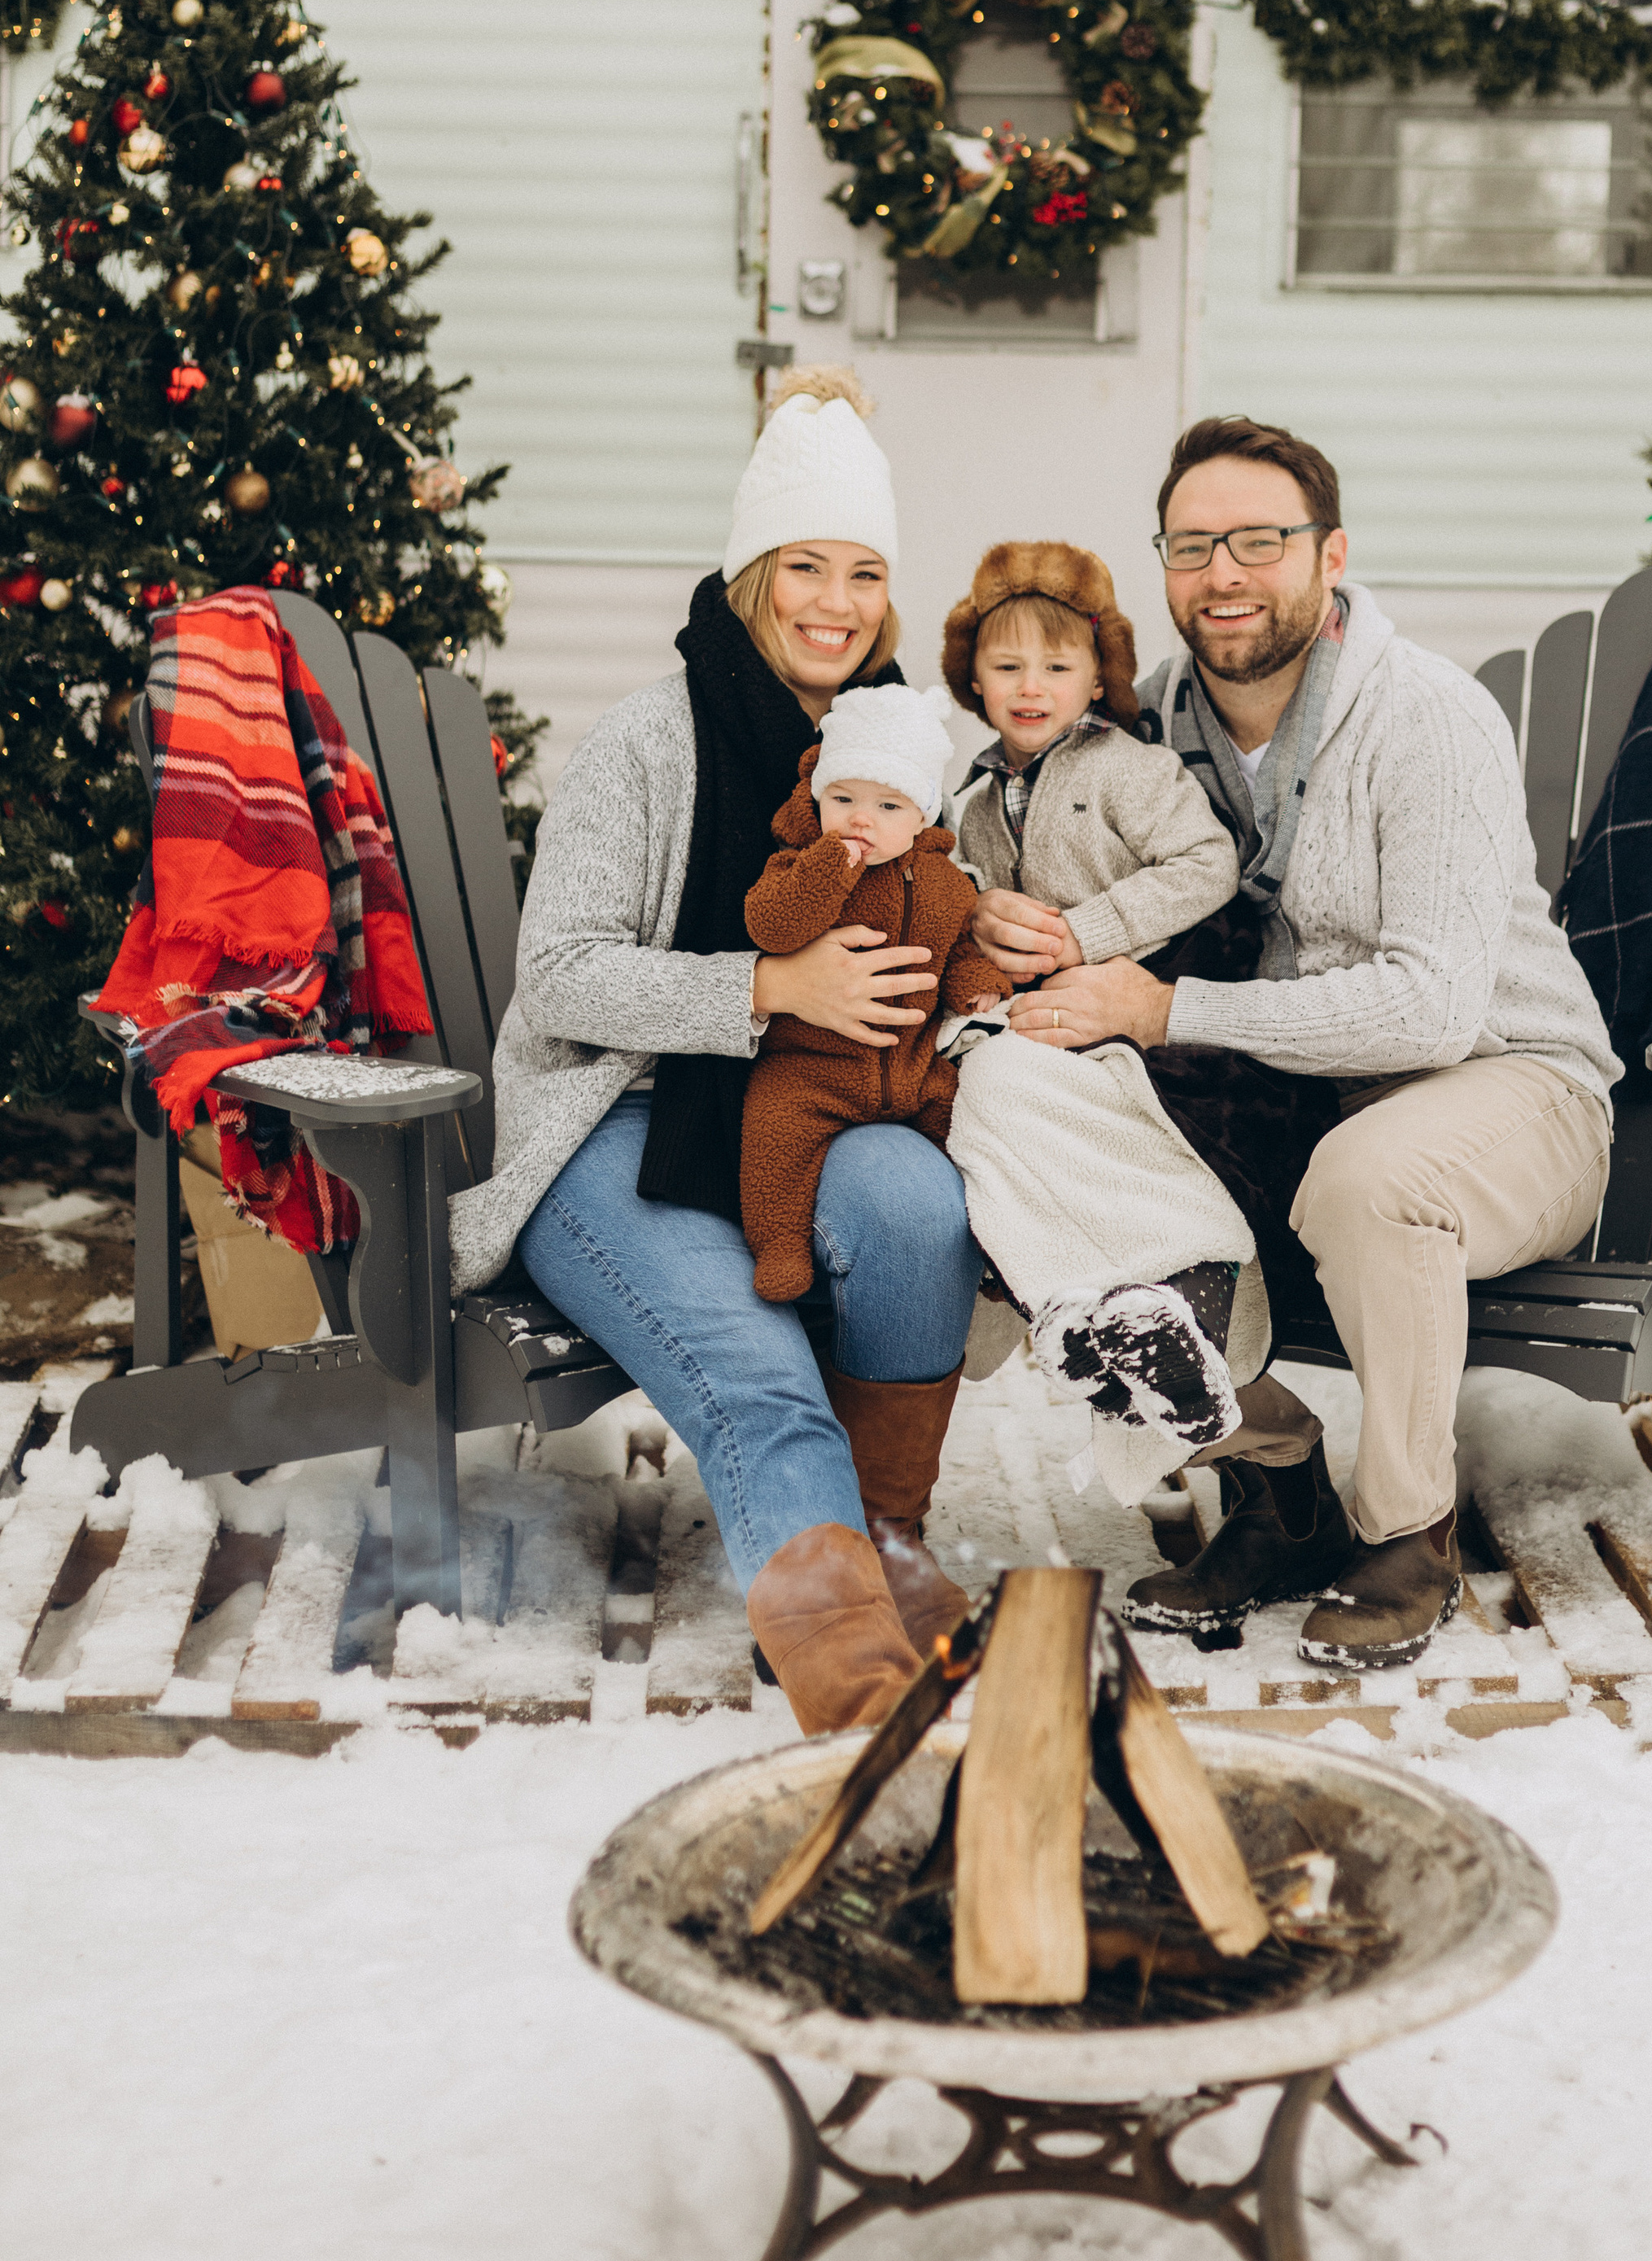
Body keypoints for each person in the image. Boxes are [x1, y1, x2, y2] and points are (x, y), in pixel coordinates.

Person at [968, 414, 1622, 1670]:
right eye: (1194, 544)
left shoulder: (1425, 719)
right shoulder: (1144, 722)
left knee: (1372, 1180)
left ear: (1330, 557)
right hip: (1278, 1098)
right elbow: (1013, 808)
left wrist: (1163, 1013)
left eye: (1260, 541)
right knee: (1025, 1138)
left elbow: (1432, 1005)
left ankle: (1405, 1534)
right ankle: (1273, 1486)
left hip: (1503, 1088)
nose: (1224, 573)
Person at [446, 368, 983, 1735]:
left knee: (920, 1206)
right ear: (752, 574)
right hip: (614, 1127)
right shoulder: (644, 743)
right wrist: (765, 986)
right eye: (806, 564)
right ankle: (849, 1674)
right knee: (762, 1376)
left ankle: (884, 1543)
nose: (837, 603)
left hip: (800, 1119)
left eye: (865, 572)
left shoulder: (893, 751)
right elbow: (560, 976)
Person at [937, 540, 1256, 1500]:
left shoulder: (1129, 769)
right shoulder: (976, 795)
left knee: (1013, 1093)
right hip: (1036, 1029)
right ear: (974, 679)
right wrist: (975, 908)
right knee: (978, 1097)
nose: (1031, 688)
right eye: (1006, 667)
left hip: (1139, 1022)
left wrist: (1087, 932)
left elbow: (1207, 865)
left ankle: (1163, 1300)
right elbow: (951, 890)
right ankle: (1093, 1315)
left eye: (1058, 666)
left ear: (1097, 676)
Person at [738, 683, 999, 1321]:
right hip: (808, 1069)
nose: (862, 818)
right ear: (818, 797)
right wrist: (831, 867)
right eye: (844, 798)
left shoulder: (944, 883)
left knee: (974, 1137)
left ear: (922, 816)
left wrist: (974, 981)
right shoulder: (798, 866)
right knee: (774, 1135)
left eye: (888, 804)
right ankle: (779, 1246)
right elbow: (770, 927)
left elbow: (957, 945)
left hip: (913, 1073)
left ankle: (992, 1248)